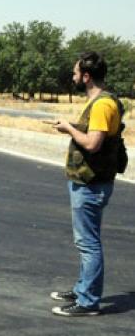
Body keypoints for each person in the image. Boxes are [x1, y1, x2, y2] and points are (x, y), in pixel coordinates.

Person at [49, 51, 125, 317]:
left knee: (88, 243)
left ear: (86, 76)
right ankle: (83, 288)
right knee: (85, 241)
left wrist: (69, 129)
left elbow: (93, 143)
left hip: (91, 184)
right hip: (88, 181)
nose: (73, 77)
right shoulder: (98, 102)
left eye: (75, 73)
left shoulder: (102, 105)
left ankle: (88, 300)